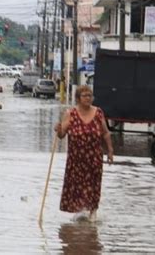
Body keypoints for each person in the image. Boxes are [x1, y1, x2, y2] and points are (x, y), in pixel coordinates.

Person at [54, 85, 114, 221]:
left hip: (94, 157)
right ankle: (80, 211)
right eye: (85, 96)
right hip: (76, 159)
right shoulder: (71, 114)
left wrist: (110, 150)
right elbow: (62, 134)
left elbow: (105, 133)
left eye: (90, 96)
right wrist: (58, 129)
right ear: (78, 98)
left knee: (93, 185)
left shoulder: (98, 113)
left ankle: (93, 212)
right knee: (78, 186)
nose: (88, 98)